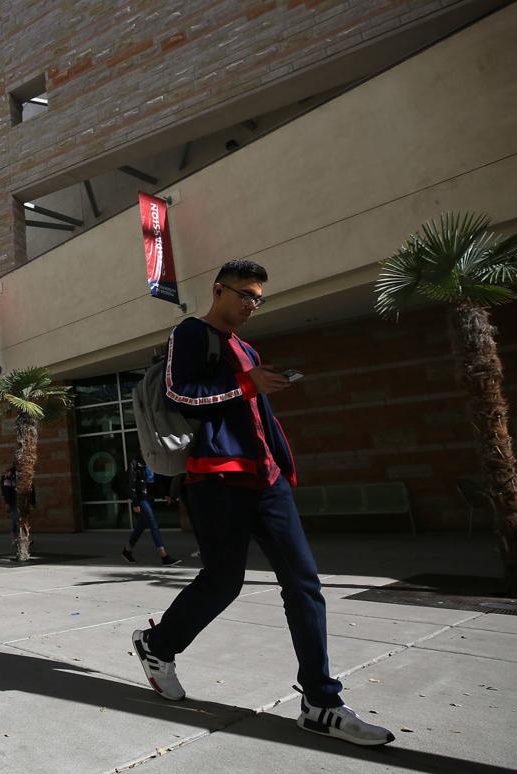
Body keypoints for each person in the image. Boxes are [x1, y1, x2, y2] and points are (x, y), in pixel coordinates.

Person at [130, 259, 394, 746]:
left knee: (304, 583)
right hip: (216, 480)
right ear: (218, 290)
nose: (251, 304)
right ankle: (157, 644)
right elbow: (180, 394)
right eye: (244, 294)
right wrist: (247, 384)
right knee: (223, 582)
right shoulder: (190, 333)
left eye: (258, 298)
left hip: (266, 479)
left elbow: (255, 412)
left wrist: (281, 460)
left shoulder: (247, 347)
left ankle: (321, 702)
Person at [122, 454, 181, 566]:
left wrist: (164, 495)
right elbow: (131, 483)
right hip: (140, 498)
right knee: (153, 524)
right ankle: (164, 556)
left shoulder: (152, 463)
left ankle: (127, 550)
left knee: (142, 525)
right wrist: (134, 502)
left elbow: (155, 483)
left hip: (150, 497)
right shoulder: (135, 462)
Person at [0, 464, 35, 544]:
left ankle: (20, 536)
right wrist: (7, 502)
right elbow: (6, 490)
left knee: (22, 518)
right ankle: (20, 537)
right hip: (14, 500)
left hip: (24, 500)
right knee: (17, 518)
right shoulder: (9, 475)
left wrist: (32, 502)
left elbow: (31, 488)